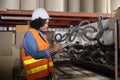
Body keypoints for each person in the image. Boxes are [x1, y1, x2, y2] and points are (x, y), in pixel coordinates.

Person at [22, 8, 62, 80]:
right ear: (39, 22)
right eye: (46, 23)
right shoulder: (30, 35)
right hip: (35, 77)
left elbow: (46, 56)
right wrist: (53, 49)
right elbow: (36, 55)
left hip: (46, 75)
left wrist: (55, 51)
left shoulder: (42, 36)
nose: (47, 25)